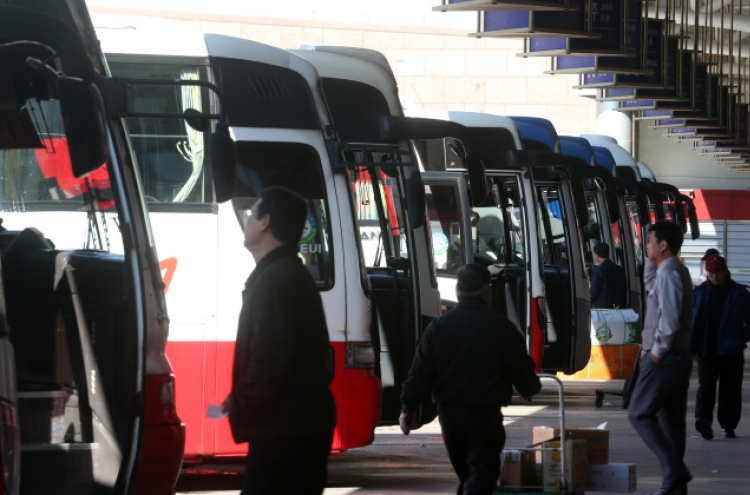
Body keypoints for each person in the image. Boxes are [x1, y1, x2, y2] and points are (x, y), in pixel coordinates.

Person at [222, 186, 336, 495]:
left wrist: (240, 402)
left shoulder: (276, 280)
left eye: (251, 212)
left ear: (265, 222)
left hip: (286, 431)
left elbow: (270, 362)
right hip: (295, 425)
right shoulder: (284, 274)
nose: (246, 219)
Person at [399, 263, 541, 495]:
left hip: (449, 414)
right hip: (484, 414)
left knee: (468, 473)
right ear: (487, 291)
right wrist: (528, 387)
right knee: (483, 470)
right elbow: (521, 368)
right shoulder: (501, 328)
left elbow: (420, 371)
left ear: (458, 291)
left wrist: (408, 407)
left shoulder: (438, 327)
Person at [628, 220, 694, 495]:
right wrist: (649, 258)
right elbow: (648, 285)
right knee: (671, 421)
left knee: (639, 413)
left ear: (663, 245)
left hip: (665, 358)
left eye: (650, 241)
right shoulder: (669, 270)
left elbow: (669, 319)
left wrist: (655, 354)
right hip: (677, 358)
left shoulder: (669, 274)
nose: (647, 246)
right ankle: (674, 484)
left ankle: (674, 471)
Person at [691, 254, 750, 440]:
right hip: (706, 348)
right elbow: (691, 321)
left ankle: (728, 425)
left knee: (730, 388)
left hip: (731, 348)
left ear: (725, 271)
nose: (715, 275)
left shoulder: (739, 293)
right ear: (706, 272)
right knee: (706, 386)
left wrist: (742, 338)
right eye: (711, 271)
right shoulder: (699, 293)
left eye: (718, 271)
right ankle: (703, 421)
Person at [589, 241, 627, 309]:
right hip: (619, 308)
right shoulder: (620, 270)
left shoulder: (598, 271)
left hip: (603, 311)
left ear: (596, 255)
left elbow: (594, 293)